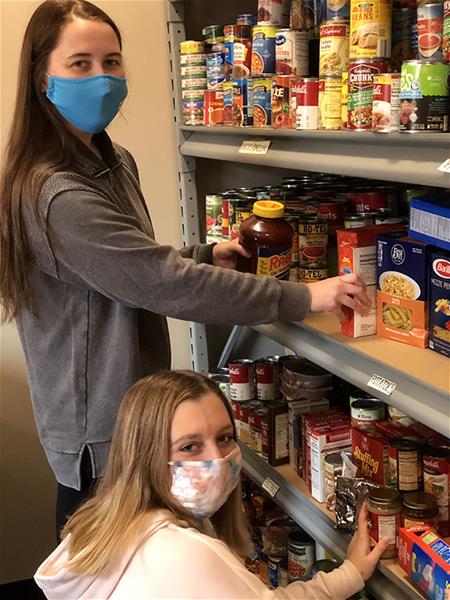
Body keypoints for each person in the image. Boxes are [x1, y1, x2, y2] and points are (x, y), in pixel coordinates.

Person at [0, 0, 370, 536]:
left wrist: (207, 255)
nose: (102, 80)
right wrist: (305, 298)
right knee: (109, 572)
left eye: (112, 62)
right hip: (101, 429)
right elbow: (159, 284)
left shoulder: (111, 159)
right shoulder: (55, 193)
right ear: (42, 79)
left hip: (136, 407)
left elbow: (129, 263)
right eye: (80, 64)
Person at [34, 371, 389, 599]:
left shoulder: (114, 523)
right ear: (145, 456)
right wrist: (350, 575)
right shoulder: (182, 553)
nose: (217, 459)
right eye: (189, 447)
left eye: (224, 438)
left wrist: (348, 575)